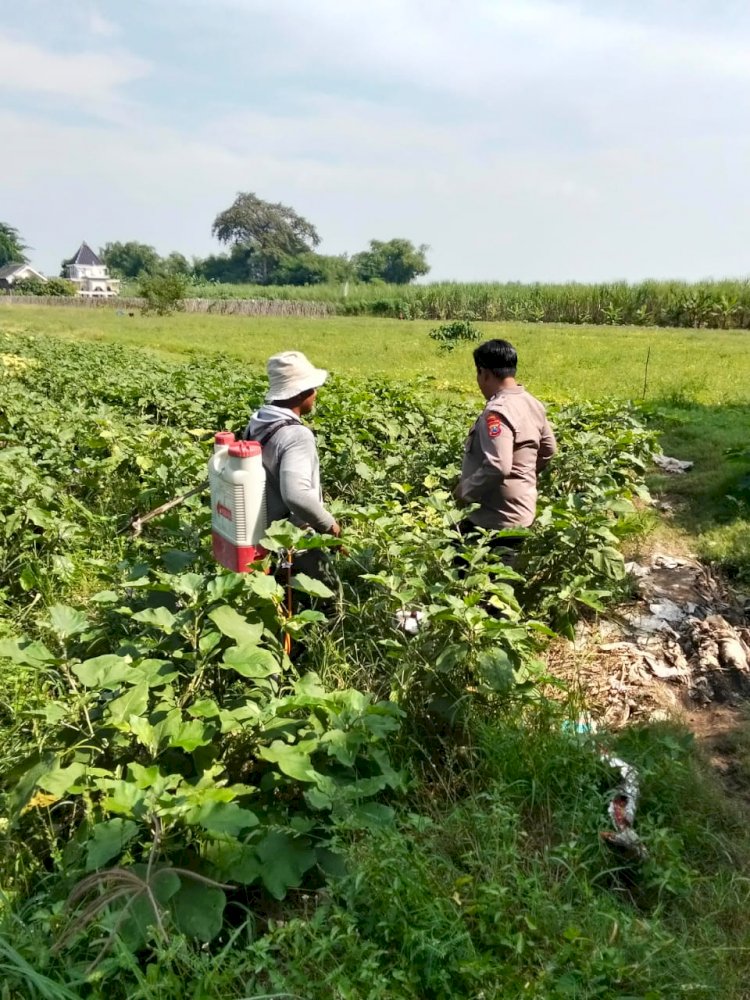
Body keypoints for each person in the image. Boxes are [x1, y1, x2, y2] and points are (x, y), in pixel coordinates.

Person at [455, 338, 556, 559]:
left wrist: (465, 490)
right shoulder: (532, 403)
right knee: (501, 579)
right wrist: (523, 476)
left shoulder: (497, 413)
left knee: (474, 582)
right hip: (522, 511)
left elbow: (499, 465)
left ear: (484, 373)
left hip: (494, 518)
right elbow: (548, 449)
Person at [244, 351, 341, 550]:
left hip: (261, 530)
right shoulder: (297, 435)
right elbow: (297, 496)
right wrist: (331, 528)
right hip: (290, 538)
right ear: (299, 393)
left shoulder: (259, 420)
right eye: (312, 388)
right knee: (326, 582)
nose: (316, 393)